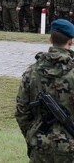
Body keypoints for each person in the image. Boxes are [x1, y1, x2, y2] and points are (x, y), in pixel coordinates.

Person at [15, 19, 74, 162]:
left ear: (50, 39)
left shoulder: (32, 71)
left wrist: (33, 135)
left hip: (40, 146)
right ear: (71, 41)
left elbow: (21, 112)